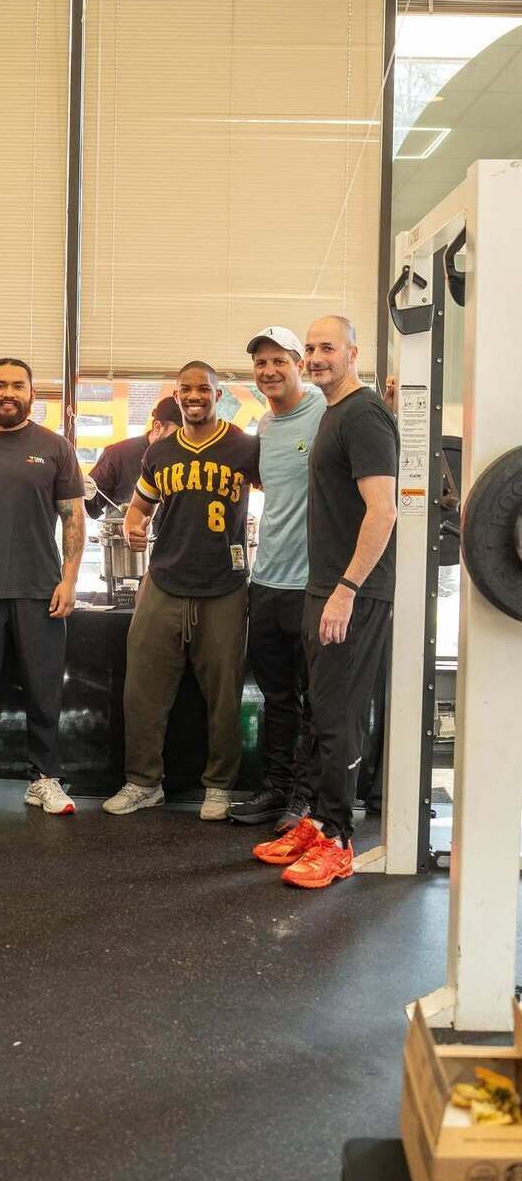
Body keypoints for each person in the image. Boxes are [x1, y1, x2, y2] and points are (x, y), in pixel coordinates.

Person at [253, 316, 398, 889]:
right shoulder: (332, 412)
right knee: (320, 712)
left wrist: (347, 589)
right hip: (323, 587)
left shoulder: (363, 415)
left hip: (351, 592)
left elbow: (383, 509)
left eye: (327, 348)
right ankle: (315, 822)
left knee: (337, 717)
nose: (315, 357)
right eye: (310, 348)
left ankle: (338, 839)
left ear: (353, 353)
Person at [103, 361, 260, 821]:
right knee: (143, 690)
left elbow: (286, 491)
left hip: (223, 584)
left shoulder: (245, 446)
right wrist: (133, 527)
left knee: (224, 696)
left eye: (204, 389)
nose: (195, 396)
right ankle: (143, 783)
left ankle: (219, 786)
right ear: (176, 395)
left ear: (218, 395)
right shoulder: (161, 452)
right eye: (186, 389)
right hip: (165, 581)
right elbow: (139, 508)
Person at [0, 358, 85, 817]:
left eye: (17, 385)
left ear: (32, 394)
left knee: (44, 690)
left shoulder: (55, 447)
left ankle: (44, 779)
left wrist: (70, 579)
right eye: (0, 384)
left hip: (39, 588)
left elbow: (73, 516)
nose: (8, 392)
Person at [228, 326, 326, 833]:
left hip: (313, 584)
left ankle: (306, 798)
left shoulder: (327, 410)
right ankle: (277, 787)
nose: (269, 371)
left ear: (299, 365)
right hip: (266, 580)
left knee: (313, 700)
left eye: (279, 361)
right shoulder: (265, 425)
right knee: (277, 697)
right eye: (261, 363)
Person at [84, 395, 182, 518]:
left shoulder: (190, 459)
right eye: (177, 434)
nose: (182, 440)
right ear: (157, 427)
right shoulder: (118, 454)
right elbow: (91, 505)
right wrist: (81, 491)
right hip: (123, 529)